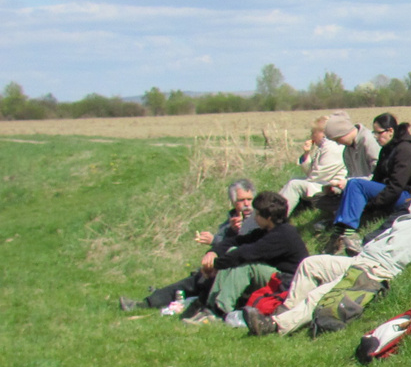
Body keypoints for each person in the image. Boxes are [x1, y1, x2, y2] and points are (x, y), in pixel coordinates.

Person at [247, 185, 411, 336]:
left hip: (377, 268)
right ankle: (284, 310)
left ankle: (275, 326)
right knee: (310, 264)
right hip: (361, 259)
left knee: (321, 294)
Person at [121, 180, 258, 312]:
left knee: (196, 284)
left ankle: (159, 301)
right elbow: (224, 244)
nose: (246, 204)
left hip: (234, 272)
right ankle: (148, 303)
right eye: (241, 200)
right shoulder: (229, 223)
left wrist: (217, 239)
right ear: (233, 202)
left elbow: (246, 247)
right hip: (218, 267)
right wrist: (230, 231)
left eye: (249, 199)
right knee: (192, 282)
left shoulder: (258, 220)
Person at [191, 190, 309, 325]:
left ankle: (220, 310)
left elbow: (246, 253)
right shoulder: (267, 231)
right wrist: (213, 253)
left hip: (288, 283)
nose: (254, 218)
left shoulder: (284, 234)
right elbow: (236, 242)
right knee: (233, 251)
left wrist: (215, 265)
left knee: (247, 265)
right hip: (276, 277)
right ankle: (210, 307)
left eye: (257, 214)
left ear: (268, 217)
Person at [329, 114, 411, 254]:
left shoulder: (405, 150)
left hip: (409, 196)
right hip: (393, 193)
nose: (375, 136)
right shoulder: (387, 150)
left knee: (356, 184)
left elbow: (396, 187)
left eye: (378, 133)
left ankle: (348, 233)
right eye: (374, 133)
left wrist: (372, 205)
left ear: (390, 131)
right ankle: (339, 231)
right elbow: (377, 180)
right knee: (353, 184)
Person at [279, 117, 345, 215]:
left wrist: (306, 178)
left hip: (329, 185)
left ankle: (277, 215)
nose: (311, 136)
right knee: (294, 179)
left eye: (313, 133)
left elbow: (317, 176)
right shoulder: (324, 147)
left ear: (322, 132)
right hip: (323, 181)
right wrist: (306, 154)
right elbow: (313, 172)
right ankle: (275, 206)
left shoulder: (333, 148)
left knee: (294, 184)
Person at [323, 113, 381, 184]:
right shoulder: (347, 151)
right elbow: (351, 175)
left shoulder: (369, 141)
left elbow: (378, 176)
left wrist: (349, 183)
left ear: (344, 132)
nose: (338, 143)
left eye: (338, 139)